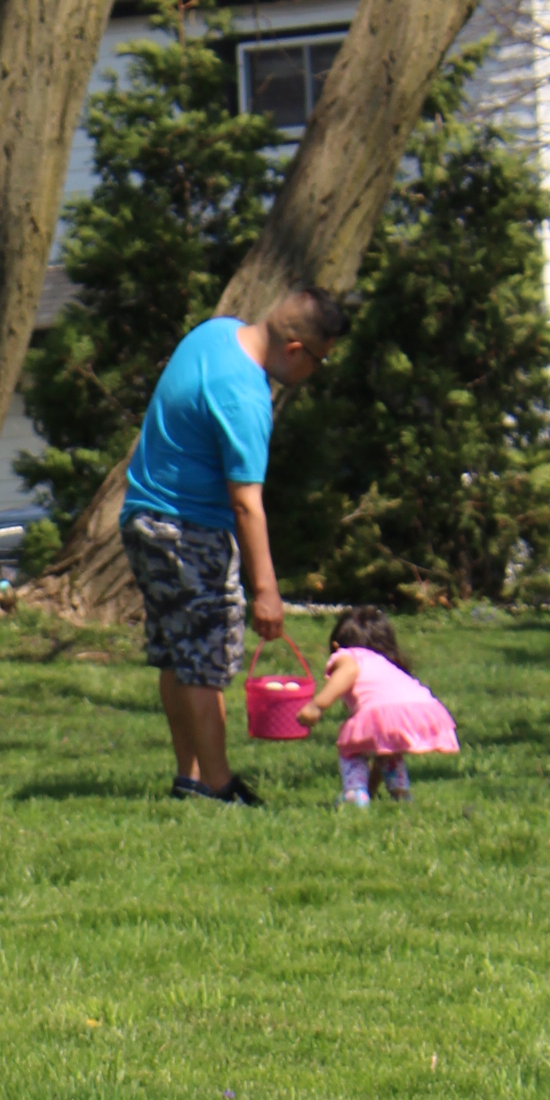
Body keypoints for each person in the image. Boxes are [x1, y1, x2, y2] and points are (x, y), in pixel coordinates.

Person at [120, 288, 350, 807]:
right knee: (203, 662)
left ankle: (190, 779)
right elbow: (246, 504)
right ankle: (220, 788)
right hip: (189, 531)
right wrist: (266, 590)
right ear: (295, 349)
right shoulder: (245, 396)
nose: (316, 372)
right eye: (319, 360)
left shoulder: (215, 333)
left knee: (178, 655)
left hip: (144, 518)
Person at [299, 607, 460, 804]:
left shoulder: (347, 655)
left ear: (336, 646)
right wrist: (372, 788)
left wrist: (317, 706)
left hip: (384, 711)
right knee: (386, 748)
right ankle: (400, 792)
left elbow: (348, 671)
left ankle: (354, 793)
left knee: (351, 749)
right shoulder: (383, 661)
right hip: (423, 707)